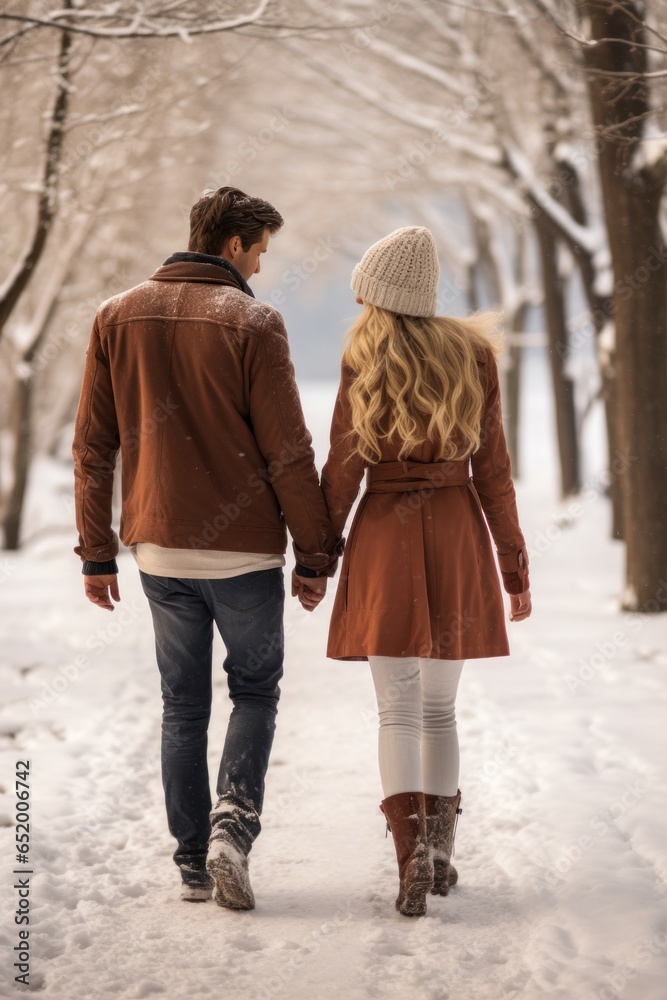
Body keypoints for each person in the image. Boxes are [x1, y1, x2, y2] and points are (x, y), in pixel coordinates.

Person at [72, 186, 342, 909]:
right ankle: (233, 827)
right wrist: (315, 554)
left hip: (159, 549)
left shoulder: (115, 314)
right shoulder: (253, 321)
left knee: (182, 705)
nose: (260, 266)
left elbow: (93, 448)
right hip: (246, 552)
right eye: (259, 252)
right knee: (253, 691)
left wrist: (96, 553)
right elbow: (287, 450)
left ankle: (192, 860)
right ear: (233, 245)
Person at [314, 226, 532, 917]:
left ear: (381, 294)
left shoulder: (361, 355)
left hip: (383, 535)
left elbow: (342, 468)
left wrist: (316, 558)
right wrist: (513, 568)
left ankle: (408, 857)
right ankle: (439, 854)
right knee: (439, 711)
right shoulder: (473, 355)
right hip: (457, 530)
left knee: (396, 712)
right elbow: (493, 471)